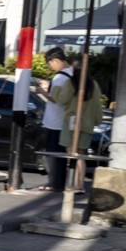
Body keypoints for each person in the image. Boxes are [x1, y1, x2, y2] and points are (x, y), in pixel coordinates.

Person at [52, 60, 103, 193]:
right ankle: (80, 184)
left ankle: (76, 185)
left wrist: (55, 89)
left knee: (72, 154)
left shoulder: (71, 83)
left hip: (72, 122)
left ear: (74, 69)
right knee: (81, 155)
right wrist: (97, 120)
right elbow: (98, 105)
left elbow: (62, 100)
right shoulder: (94, 84)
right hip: (88, 123)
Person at [37, 47, 73, 192]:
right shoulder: (71, 73)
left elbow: (56, 99)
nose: (50, 66)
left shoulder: (59, 77)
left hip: (55, 121)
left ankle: (54, 183)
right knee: (61, 155)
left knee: (52, 154)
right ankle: (59, 182)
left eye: (50, 63)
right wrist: (50, 86)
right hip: (65, 120)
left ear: (56, 61)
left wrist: (42, 91)